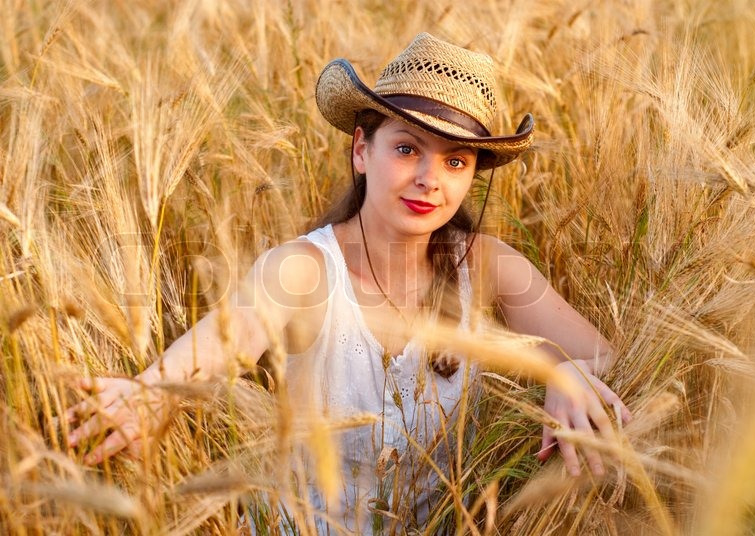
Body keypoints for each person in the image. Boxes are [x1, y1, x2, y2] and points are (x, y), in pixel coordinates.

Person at [67, 33, 632, 533]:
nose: (428, 179)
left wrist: (563, 370)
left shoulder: (486, 265)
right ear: (362, 150)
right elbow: (224, 339)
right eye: (406, 148)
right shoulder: (303, 269)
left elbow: (610, 359)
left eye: (455, 162)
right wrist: (148, 391)